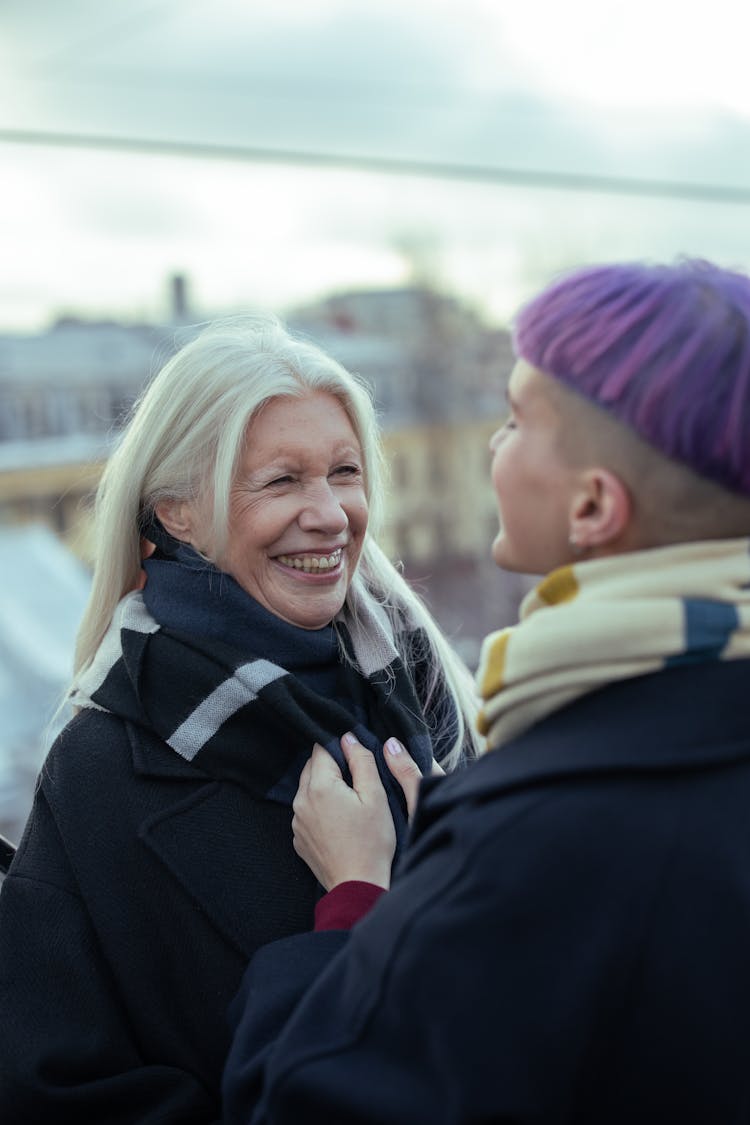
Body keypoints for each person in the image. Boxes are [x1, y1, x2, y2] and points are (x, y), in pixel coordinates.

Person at [222, 259, 750, 1124]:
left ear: (591, 506)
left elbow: (301, 1103)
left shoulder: (545, 833)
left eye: (513, 421)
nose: (492, 445)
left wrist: (360, 899)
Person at [0, 315, 481, 1124]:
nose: (331, 513)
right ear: (177, 512)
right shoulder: (101, 768)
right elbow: (56, 1090)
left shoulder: (427, 689)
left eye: (344, 471)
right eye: (282, 481)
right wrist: (363, 906)